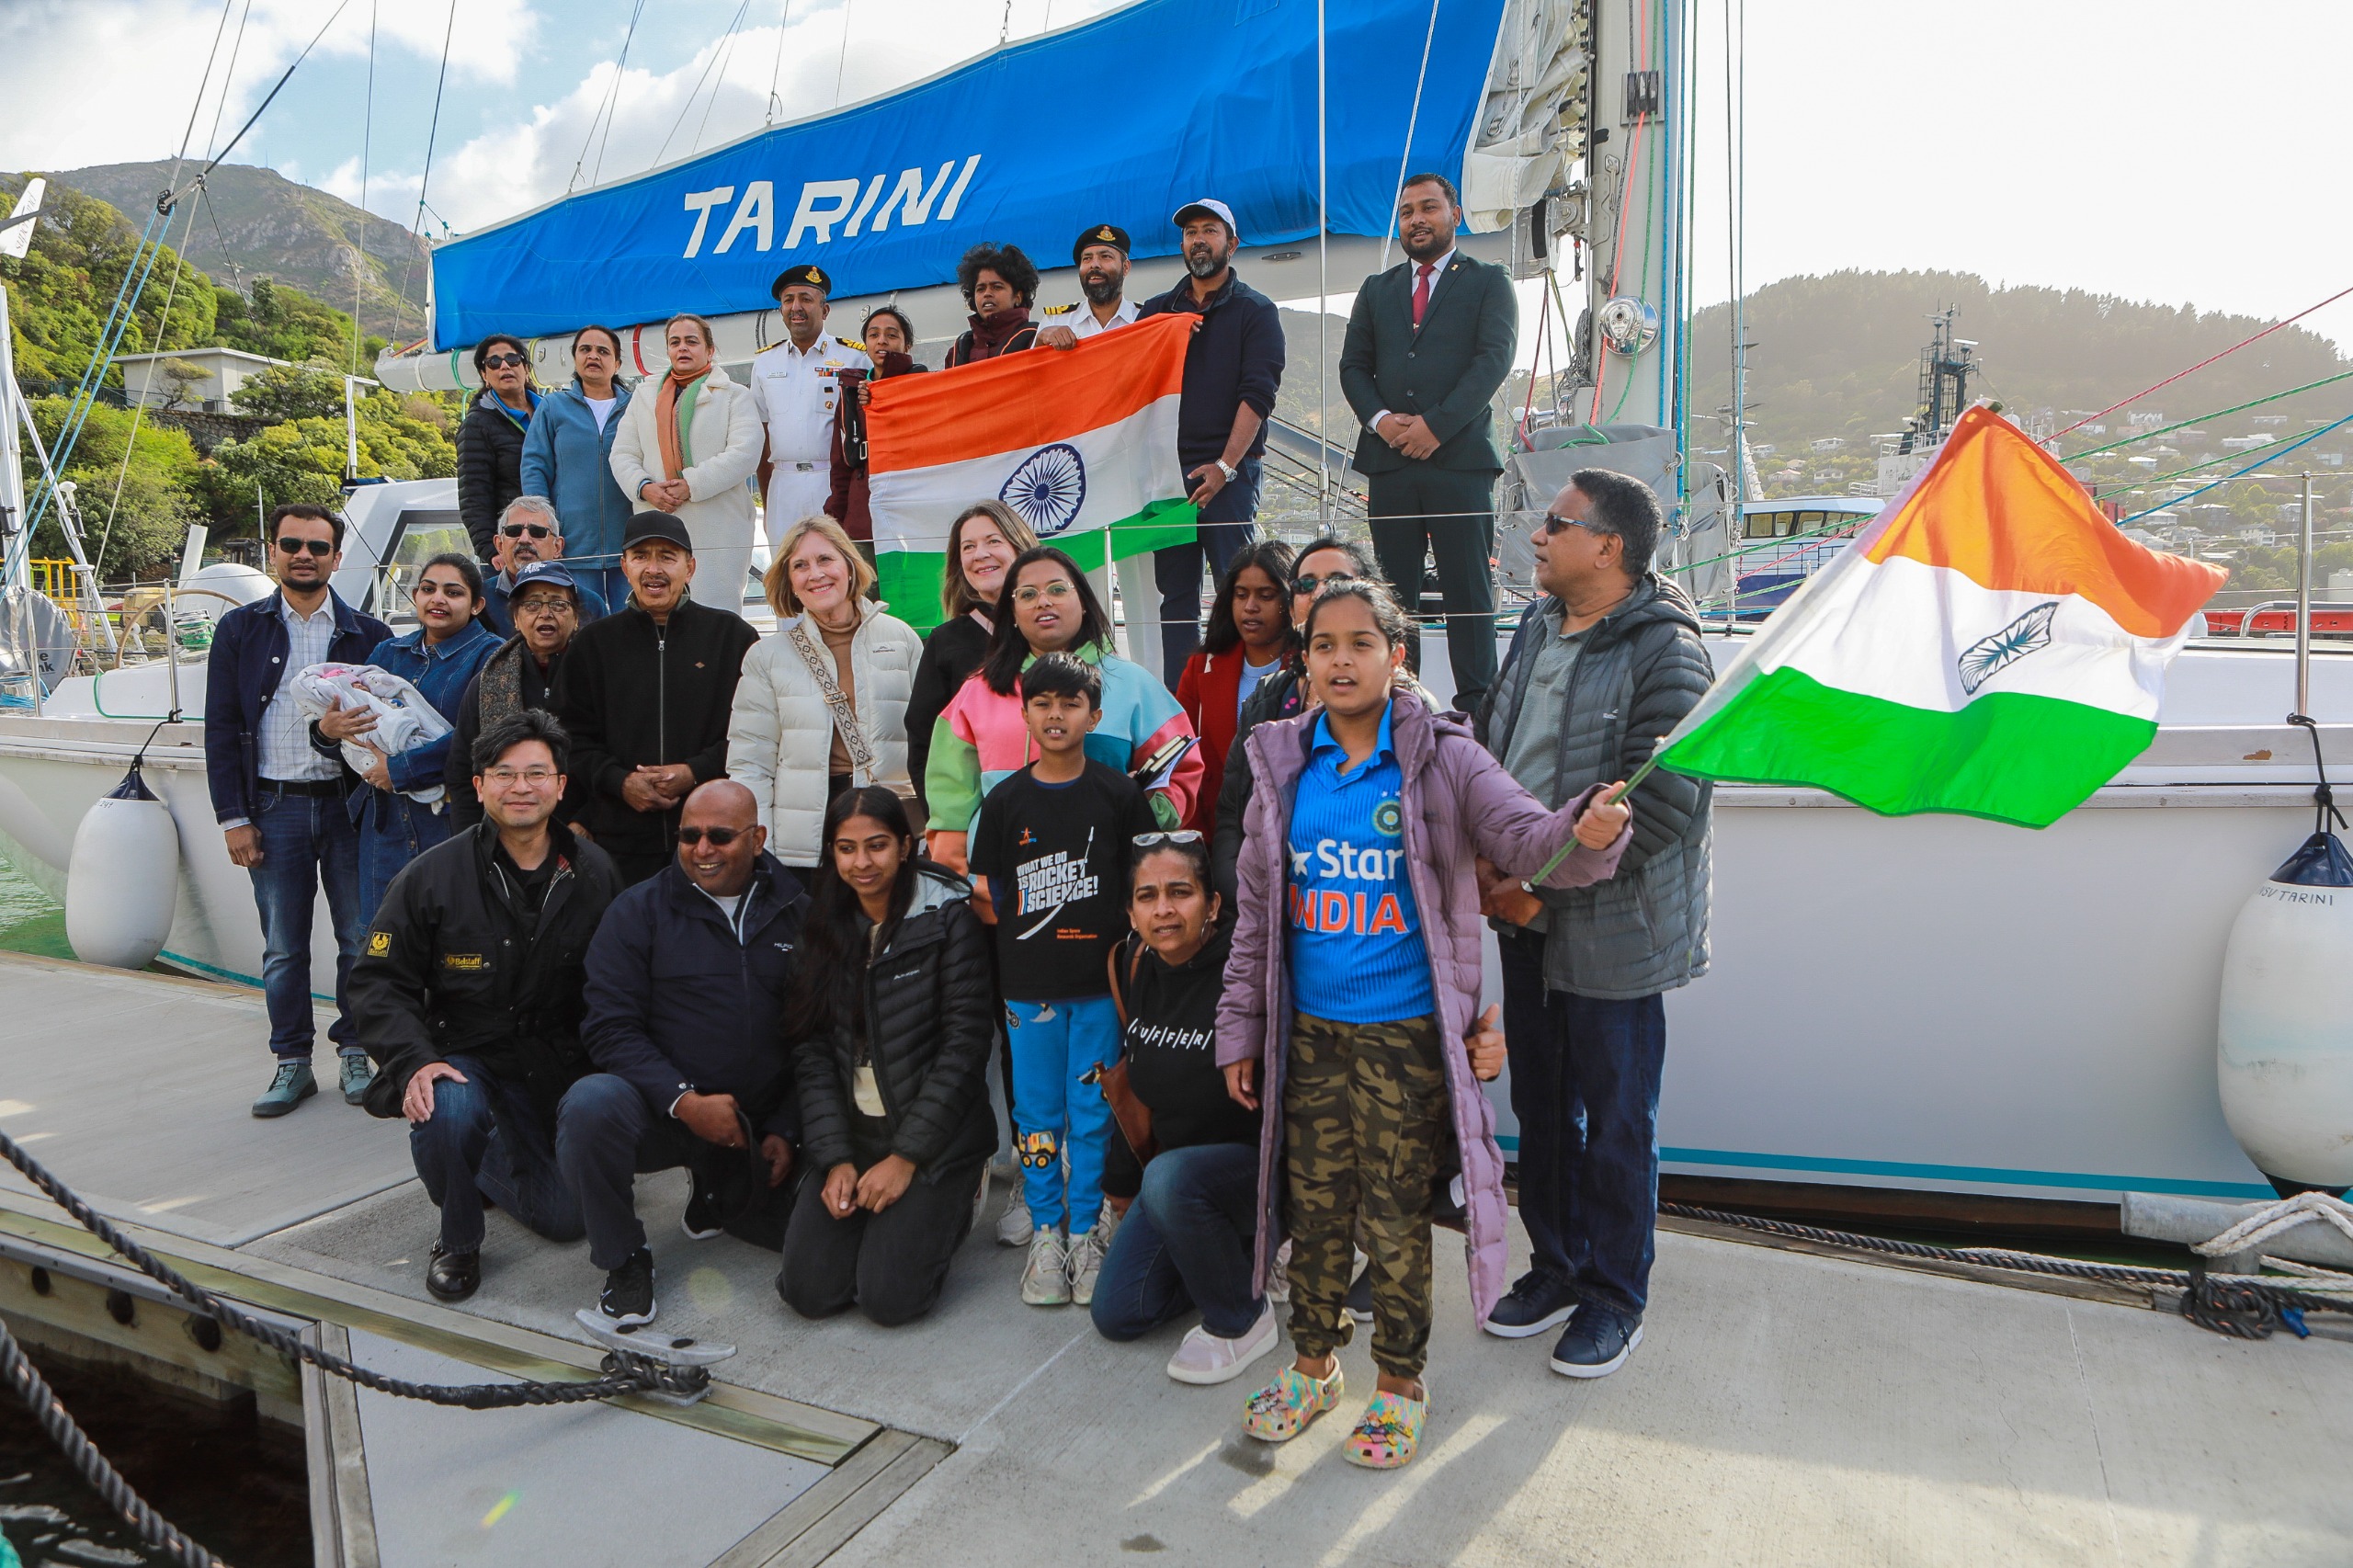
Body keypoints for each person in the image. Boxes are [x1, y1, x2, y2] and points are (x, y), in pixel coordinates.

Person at [1217, 578, 1631, 1471]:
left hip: (1404, 1039)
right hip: (1308, 1037)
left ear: (1396, 656)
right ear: (1305, 659)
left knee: (1399, 1218)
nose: (1339, 659)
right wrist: (1240, 1028)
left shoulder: (1444, 758)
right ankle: (1316, 1363)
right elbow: (1255, 911)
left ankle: (1399, 1381)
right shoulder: (1282, 761)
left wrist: (1587, 827)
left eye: (1360, 642)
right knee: (1313, 1211)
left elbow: (1526, 840)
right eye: (1323, 644)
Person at [1472, 470, 1714, 1378]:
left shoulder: (1668, 654)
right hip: (1521, 913)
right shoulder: (1534, 627)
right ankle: (1559, 1266)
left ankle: (1617, 1293)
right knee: (1540, 1104)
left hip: (1611, 929)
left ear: (1606, 546)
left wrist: (1540, 887)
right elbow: (1495, 748)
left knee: (1615, 1119)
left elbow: (1668, 805)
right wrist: (1492, 861)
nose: (1536, 535)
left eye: (1555, 523)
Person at [347, 711, 622, 1301]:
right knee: (447, 1104)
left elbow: (620, 986)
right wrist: (412, 1061)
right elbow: (376, 983)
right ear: (478, 787)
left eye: (536, 773)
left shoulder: (596, 874)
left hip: (549, 1069)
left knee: (568, 1220)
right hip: (461, 1056)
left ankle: (485, 1157)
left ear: (561, 785)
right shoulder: (428, 877)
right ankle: (458, 1236)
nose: (521, 787)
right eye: (504, 774)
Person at [560, 780, 807, 1325]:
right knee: (589, 1104)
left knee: (815, 1254)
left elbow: (816, 1036)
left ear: (757, 838)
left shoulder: (799, 911)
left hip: (757, 1121)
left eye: (720, 835)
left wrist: (787, 1126)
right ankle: (624, 1259)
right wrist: (684, 1102)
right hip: (664, 1111)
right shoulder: (636, 912)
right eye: (689, 836)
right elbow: (608, 1027)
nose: (702, 849)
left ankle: (717, 1184)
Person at [969, 654, 1160, 1308]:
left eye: (1070, 703)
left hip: (1100, 992)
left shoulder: (1119, 794)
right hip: (1028, 991)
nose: (1056, 714)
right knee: (1038, 1115)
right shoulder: (1005, 800)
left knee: (1093, 1115)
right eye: (1043, 703)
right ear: (1024, 713)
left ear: (1094, 716)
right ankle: (1046, 1235)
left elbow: (1144, 886)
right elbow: (989, 892)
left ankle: (1087, 1231)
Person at [779, 788, 995, 1326]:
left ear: (905, 845)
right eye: (846, 849)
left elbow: (964, 1049)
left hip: (934, 1142)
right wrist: (835, 1160)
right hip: (855, 1135)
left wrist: (905, 1159)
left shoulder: (948, 918)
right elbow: (811, 1053)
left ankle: (959, 1197)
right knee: (808, 1293)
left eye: (876, 846)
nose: (862, 863)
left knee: (889, 1301)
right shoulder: (821, 925)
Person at [205, 503, 393, 1118]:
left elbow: (390, 728)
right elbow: (222, 727)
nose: (304, 555)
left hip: (349, 810)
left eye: (317, 546)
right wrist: (234, 817)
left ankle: (355, 1051)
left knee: (358, 938)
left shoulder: (370, 636)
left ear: (338, 558)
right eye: (292, 544)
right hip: (274, 806)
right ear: (274, 553)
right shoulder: (240, 631)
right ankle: (291, 1064)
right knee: (283, 946)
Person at [1086, 832, 1276, 1382]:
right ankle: (1231, 1261)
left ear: (1213, 904)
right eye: (1146, 896)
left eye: (1180, 892)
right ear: (1130, 910)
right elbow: (1135, 1088)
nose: (1164, 910)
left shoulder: (1248, 972)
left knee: (1168, 1177)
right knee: (1118, 1313)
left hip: (1259, 1173)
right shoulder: (1138, 966)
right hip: (1182, 1186)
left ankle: (1242, 1316)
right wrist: (1121, 1193)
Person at [1340, 174, 1520, 714]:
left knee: (1469, 594)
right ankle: (1404, 704)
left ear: (1455, 214)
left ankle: (1475, 714)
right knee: (1394, 597)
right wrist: (1381, 421)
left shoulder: (1490, 281)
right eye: (1406, 212)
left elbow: (1493, 360)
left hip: (1459, 462)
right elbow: (1353, 367)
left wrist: (1435, 426)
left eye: (1428, 208)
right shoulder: (1377, 290)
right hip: (1390, 465)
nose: (1416, 219)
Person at [925, 545, 1200, 867]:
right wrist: (965, 883)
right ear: (1011, 613)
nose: (1043, 601)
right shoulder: (976, 692)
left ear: (1083, 601)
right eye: (1027, 595)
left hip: (1109, 874)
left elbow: (1182, 773)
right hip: (1003, 886)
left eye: (1057, 589)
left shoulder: (1135, 685)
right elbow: (950, 806)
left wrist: (1149, 807)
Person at [553, 512, 761, 885]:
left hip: (714, 841)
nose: (654, 569)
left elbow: (756, 733)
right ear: (624, 566)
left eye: (667, 556)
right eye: (641, 556)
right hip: (618, 843)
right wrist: (619, 781)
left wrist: (695, 772)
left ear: (690, 566)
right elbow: (568, 738)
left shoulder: (732, 638)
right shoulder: (592, 645)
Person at [1137, 198, 1285, 688]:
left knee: (1239, 590)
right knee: (1175, 597)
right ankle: (1183, 702)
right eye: (1190, 232)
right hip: (1167, 477)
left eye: (1210, 230)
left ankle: (1247, 693)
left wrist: (1224, 465)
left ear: (1232, 243)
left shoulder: (1257, 311)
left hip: (1231, 476)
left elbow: (1258, 394)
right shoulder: (1157, 312)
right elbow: (1123, 374)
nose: (1198, 239)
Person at [315, 552, 501, 922]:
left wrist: (401, 769)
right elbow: (357, 713)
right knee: (382, 936)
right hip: (384, 824)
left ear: (477, 604)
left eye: (453, 592)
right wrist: (328, 732)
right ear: (415, 595)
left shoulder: (492, 656)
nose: (438, 600)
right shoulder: (388, 653)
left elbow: (482, 735)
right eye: (428, 589)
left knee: (448, 934)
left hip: (449, 819)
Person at [726, 516, 918, 869]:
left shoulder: (901, 638)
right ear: (790, 582)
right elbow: (750, 764)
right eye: (800, 565)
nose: (815, 574)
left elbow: (928, 743)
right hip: (808, 843)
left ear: (849, 565)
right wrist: (761, 847)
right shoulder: (767, 658)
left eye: (825, 559)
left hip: (893, 828)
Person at [1207, 537, 1384, 905]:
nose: (1319, 592)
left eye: (1336, 580)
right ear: (1294, 606)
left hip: (1372, 922)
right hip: (1270, 913)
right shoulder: (1263, 702)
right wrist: (1246, 900)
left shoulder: (1409, 707)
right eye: (1305, 584)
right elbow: (1231, 818)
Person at [610, 312, 764, 619]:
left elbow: (744, 454)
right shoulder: (643, 396)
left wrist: (691, 485)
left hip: (718, 527)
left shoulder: (735, 395)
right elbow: (622, 454)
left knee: (717, 618)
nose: (683, 348)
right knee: (659, 615)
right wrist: (644, 488)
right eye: (675, 342)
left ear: (709, 350)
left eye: (691, 341)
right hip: (657, 519)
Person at [903, 501, 1036, 814]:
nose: (980, 554)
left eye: (993, 541)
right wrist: (948, 826)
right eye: (968, 547)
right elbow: (924, 743)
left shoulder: (1060, 630)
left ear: (1020, 547)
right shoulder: (946, 642)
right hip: (980, 823)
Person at [447, 560, 591, 831]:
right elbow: (463, 772)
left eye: (559, 604)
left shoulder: (599, 675)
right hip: (506, 835)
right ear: (515, 618)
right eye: (532, 605)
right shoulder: (488, 682)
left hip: (588, 830)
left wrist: (588, 820)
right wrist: (473, 846)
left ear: (576, 618)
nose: (545, 614)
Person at [1174, 540, 1295, 837]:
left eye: (1265, 595)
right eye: (1241, 595)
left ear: (1291, 601)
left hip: (1292, 837)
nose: (1250, 607)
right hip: (1217, 838)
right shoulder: (1200, 668)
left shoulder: (1310, 670)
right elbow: (1180, 762)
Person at [751, 265, 868, 557]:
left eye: (805, 298)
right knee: (786, 576)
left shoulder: (854, 356)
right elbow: (762, 436)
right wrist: (768, 499)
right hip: (783, 485)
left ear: (825, 309)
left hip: (831, 484)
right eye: (788, 300)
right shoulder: (765, 363)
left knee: (836, 568)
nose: (796, 307)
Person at [519, 324, 636, 609]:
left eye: (602, 351)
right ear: (575, 359)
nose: (593, 356)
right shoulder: (553, 407)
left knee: (632, 627)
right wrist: (543, 526)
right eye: (585, 349)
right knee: (579, 625)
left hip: (629, 544)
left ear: (617, 363)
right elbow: (534, 466)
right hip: (571, 546)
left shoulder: (636, 407)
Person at [824, 304, 927, 565]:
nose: (882, 340)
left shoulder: (922, 384)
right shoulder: (850, 393)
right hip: (862, 519)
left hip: (910, 518)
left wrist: (883, 395)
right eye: (874, 334)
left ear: (907, 345)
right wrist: (835, 520)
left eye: (892, 335)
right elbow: (840, 466)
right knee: (867, 600)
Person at [456, 335, 539, 561]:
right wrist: (490, 551)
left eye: (513, 360)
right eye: (493, 362)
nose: (504, 366)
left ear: (526, 368)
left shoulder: (551, 414)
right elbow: (474, 497)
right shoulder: (477, 425)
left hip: (554, 540)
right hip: (510, 548)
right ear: (485, 375)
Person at [477, 495, 608, 638]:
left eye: (537, 532)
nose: (524, 539)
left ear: (557, 547)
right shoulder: (479, 600)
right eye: (513, 531)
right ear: (500, 545)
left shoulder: (589, 603)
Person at [1037, 224, 1139, 347]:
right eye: (1087, 258)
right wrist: (1040, 341)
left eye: (1106, 257)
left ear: (1125, 267)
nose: (1094, 264)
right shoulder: (1055, 321)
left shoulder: (1144, 319)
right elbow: (1032, 365)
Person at [943, 243, 1042, 366]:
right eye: (980, 289)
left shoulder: (1037, 338)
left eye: (997, 287)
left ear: (1018, 296)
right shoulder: (958, 351)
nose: (987, 294)